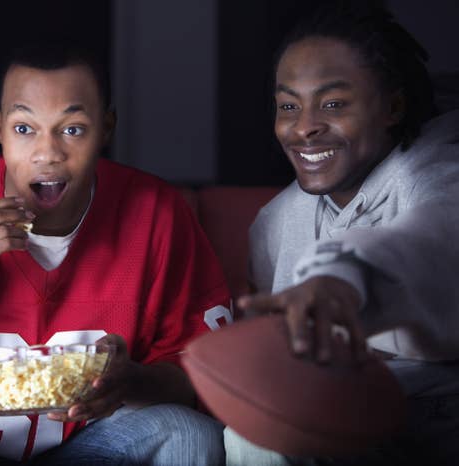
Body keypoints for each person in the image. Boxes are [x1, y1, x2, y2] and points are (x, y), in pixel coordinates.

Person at [0, 42, 231, 465]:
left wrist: (133, 381)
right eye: (24, 129)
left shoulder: (156, 213)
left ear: (106, 128)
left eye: (72, 129)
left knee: (188, 435)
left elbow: (203, 379)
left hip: (94, 446)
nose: (47, 153)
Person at [225, 1, 459, 465]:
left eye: (333, 103)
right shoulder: (276, 221)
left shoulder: (436, 176)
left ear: (392, 106)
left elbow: (432, 237)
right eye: (289, 106)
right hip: (343, 413)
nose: (305, 127)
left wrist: (341, 278)